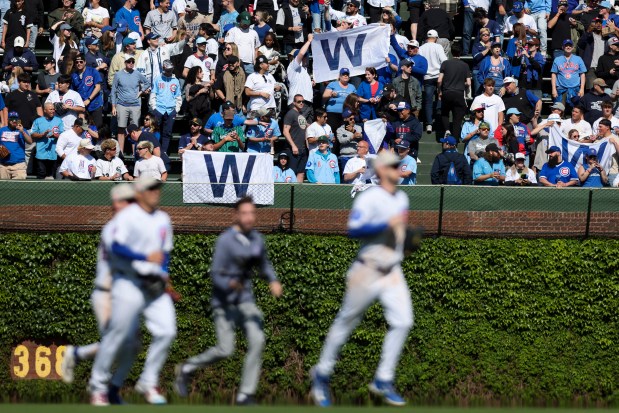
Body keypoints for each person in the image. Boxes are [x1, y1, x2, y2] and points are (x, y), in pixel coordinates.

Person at [310, 150, 415, 407]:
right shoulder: (369, 198)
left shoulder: (401, 198)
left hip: (392, 270)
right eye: (392, 167)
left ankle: (383, 378)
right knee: (346, 321)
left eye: (398, 166)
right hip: (366, 269)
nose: (397, 170)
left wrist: (409, 240)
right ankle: (322, 374)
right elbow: (353, 229)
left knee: (403, 322)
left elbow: (398, 235)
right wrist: (384, 226)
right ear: (380, 171)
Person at [174, 196, 283, 405]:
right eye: (244, 213)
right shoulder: (225, 241)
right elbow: (215, 274)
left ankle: (245, 395)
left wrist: (273, 280)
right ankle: (187, 368)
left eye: (252, 213)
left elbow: (264, 265)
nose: (249, 217)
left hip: (245, 301)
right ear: (236, 216)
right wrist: (230, 283)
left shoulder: (257, 239)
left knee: (258, 340)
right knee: (226, 349)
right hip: (223, 302)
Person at [88, 177, 175, 406]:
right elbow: (116, 246)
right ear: (139, 192)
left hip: (153, 284)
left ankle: (147, 380)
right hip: (128, 282)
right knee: (117, 336)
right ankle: (99, 388)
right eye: (150, 188)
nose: (155, 192)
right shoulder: (126, 217)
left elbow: (164, 253)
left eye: (157, 187)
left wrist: (164, 275)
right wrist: (143, 257)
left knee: (167, 331)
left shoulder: (163, 218)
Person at [60, 183, 136, 405]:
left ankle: (81, 359)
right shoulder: (114, 228)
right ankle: (98, 389)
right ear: (116, 205)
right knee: (114, 342)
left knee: (130, 345)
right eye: (127, 201)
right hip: (106, 294)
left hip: (122, 295)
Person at [111, 55, 150, 155]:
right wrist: (113, 106)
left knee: (135, 129)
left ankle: (135, 152)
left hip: (135, 105)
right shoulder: (118, 75)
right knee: (121, 129)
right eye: (129, 61)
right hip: (122, 104)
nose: (131, 63)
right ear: (125, 62)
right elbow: (114, 90)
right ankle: (120, 153)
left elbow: (147, 83)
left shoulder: (137, 73)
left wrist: (141, 92)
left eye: (133, 61)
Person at [149, 60, 182, 161]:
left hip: (170, 110)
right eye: (167, 70)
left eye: (171, 70)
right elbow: (153, 94)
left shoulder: (175, 81)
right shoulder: (158, 79)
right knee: (155, 131)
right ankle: (154, 151)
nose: (169, 72)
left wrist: (176, 110)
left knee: (167, 133)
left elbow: (178, 97)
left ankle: (163, 152)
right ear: (163, 69)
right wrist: (154, 108)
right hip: (159, 109)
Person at [438, 43, 471, 142]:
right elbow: (468, 83)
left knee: (444, 113)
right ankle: (455, 141)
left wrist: (439, 91)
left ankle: (447, 130)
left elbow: (439, 80)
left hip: (447, 92)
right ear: (460, 52)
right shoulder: (465, 65)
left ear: (451, 52)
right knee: (457, 119)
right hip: (459, 93)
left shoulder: (445, 63)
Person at [419, 30, 447, 134]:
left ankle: (429, 124)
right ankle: (439, 120)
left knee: (428, 101)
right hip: (438, 76)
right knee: (440, 98)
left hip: (427, 77)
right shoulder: (438, 47)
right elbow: (444, 60)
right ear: (436, 38)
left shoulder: (421, 48)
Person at [30, 102, 64, 179]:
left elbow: (62, 135)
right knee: (41, 173)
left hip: (53, 153)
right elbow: (32, 133)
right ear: (45, 110)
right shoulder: (38, 121)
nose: (53, 111)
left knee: (51, 175)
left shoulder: (59, 121)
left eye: (53, 109)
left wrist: (56, 136)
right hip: (41, 152)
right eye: (50, 109)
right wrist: (42, 135)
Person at [71, 53, 104, 129]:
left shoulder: (93, 71)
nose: (79, 64)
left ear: (85, 62)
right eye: (77, 62)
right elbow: (73, 92)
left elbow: (98, 87)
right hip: (82, 106)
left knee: (97, 128)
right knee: (84, 128)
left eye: (81, 61)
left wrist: (89, 99)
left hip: (95, 104)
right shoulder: (74, 75)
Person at [551, 39, 587, 108]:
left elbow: (582, 74)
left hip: (575, 88)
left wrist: (582, 89)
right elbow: (553, 74)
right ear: (562, 47)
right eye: (566, 45)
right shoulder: (557, 59)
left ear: (573, 47)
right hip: (561, 88)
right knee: (559, 109)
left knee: (576, 110)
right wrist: (554, 89)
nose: (568, 47)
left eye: (570, 45)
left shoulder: (578, 59)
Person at [323, 68, 357, 137]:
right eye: (343, 74)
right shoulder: (333, 84)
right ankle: (333, 147)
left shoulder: (352, 87)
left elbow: (356, 98)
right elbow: (324, 96)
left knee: (344, 134)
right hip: (332, 113)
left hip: (346, 114)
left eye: (347, 75)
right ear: (340, 76)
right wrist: (331, 94)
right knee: (332, 133)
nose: (345, 76)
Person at [283, 94, 309, 182]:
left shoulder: (301, 114)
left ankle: (299, 194)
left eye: (303, 101)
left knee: (301, 173)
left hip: (303, 148)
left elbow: (305, 127)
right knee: (291, 173)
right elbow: (285, 131)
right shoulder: (290, 113)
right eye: (299, 102)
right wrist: (293, 146)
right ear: (294, 103)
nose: (301, 103)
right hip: (294, 149)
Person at [0, 110, 32, 179]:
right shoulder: (1, 130)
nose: (14, 121)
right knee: (3, 188)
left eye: (16, 119)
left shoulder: (22, 130)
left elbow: (30, 141)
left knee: (19, 188)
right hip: (3, 165)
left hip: (19, 165)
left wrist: (22, 132)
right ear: (8, 120)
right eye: (12, 119)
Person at [286, 35, 314, 106]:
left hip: (306, 102)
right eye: (304, 57)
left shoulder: (303, 70)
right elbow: (301, 53)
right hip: (297, 102)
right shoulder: (293, 66)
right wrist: (309, 41)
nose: (306, 58)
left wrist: (310, 84)